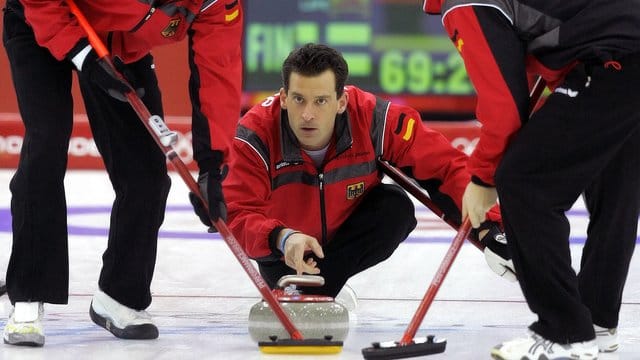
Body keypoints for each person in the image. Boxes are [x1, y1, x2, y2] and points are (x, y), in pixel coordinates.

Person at [2, 0, 243, 346]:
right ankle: (28, 295)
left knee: (147, 172)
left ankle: (119, 296)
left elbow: (218, 70)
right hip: (41, 17)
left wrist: (213, 167)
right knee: (46, 142)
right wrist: (84, 58)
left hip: (121, 43)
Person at [423, 1, 640, 358]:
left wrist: (482, 177)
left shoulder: (463, 3)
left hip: (610, 58)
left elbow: (504, 106)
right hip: (623, 52)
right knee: (613, 186)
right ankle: (598, 320)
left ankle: (565, 332)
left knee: (524, 183)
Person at [224, 43, 514, 299]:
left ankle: (314, 290)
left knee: (395, 208)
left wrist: (489, 229)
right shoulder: (255, 135)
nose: (308, 114)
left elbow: (446, 167)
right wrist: (282, 237)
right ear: (284, 97)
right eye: (298, 99)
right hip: (284, 253)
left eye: (321, 101)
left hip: (344, 242)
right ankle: (308, 288)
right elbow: (237, 212)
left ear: (341, 102)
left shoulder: (374, 119)